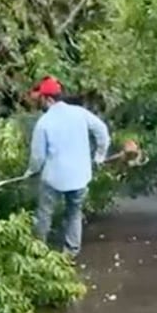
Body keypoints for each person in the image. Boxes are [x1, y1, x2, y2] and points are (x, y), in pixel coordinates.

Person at [24, 76, 110, 257]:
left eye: (40, 99)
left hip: (53, 178)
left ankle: (38, 252)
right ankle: (70, 253)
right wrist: (99, 156)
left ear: (48, 99)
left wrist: (31, 172)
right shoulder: (80, 113)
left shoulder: (44, 123)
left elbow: (38, 157)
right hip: (80, 176)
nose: (38, 103)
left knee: (44, 214)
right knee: (74, 213)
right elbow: (102, 131)